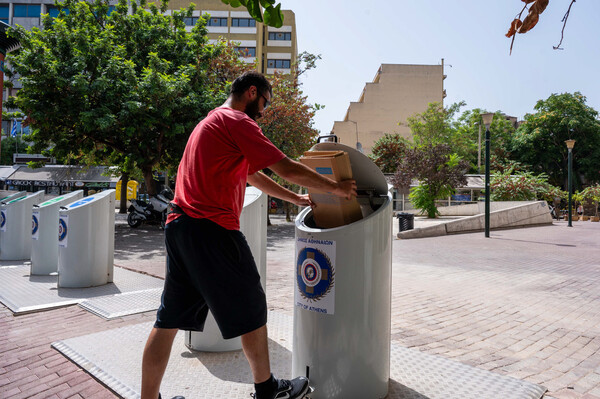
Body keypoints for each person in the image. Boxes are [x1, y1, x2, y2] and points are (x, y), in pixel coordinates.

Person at [141, 71, 357, 399]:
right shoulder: (237, 121)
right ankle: (267, 390)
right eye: (265, 102)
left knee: (168, 319)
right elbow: (285, 166)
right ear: (252, 92)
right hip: (212, 229)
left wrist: (295, 198)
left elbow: (253, 175)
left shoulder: (210, 122)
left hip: (180, 226)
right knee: (252, 308)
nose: (264, 111)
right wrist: (337, 188)